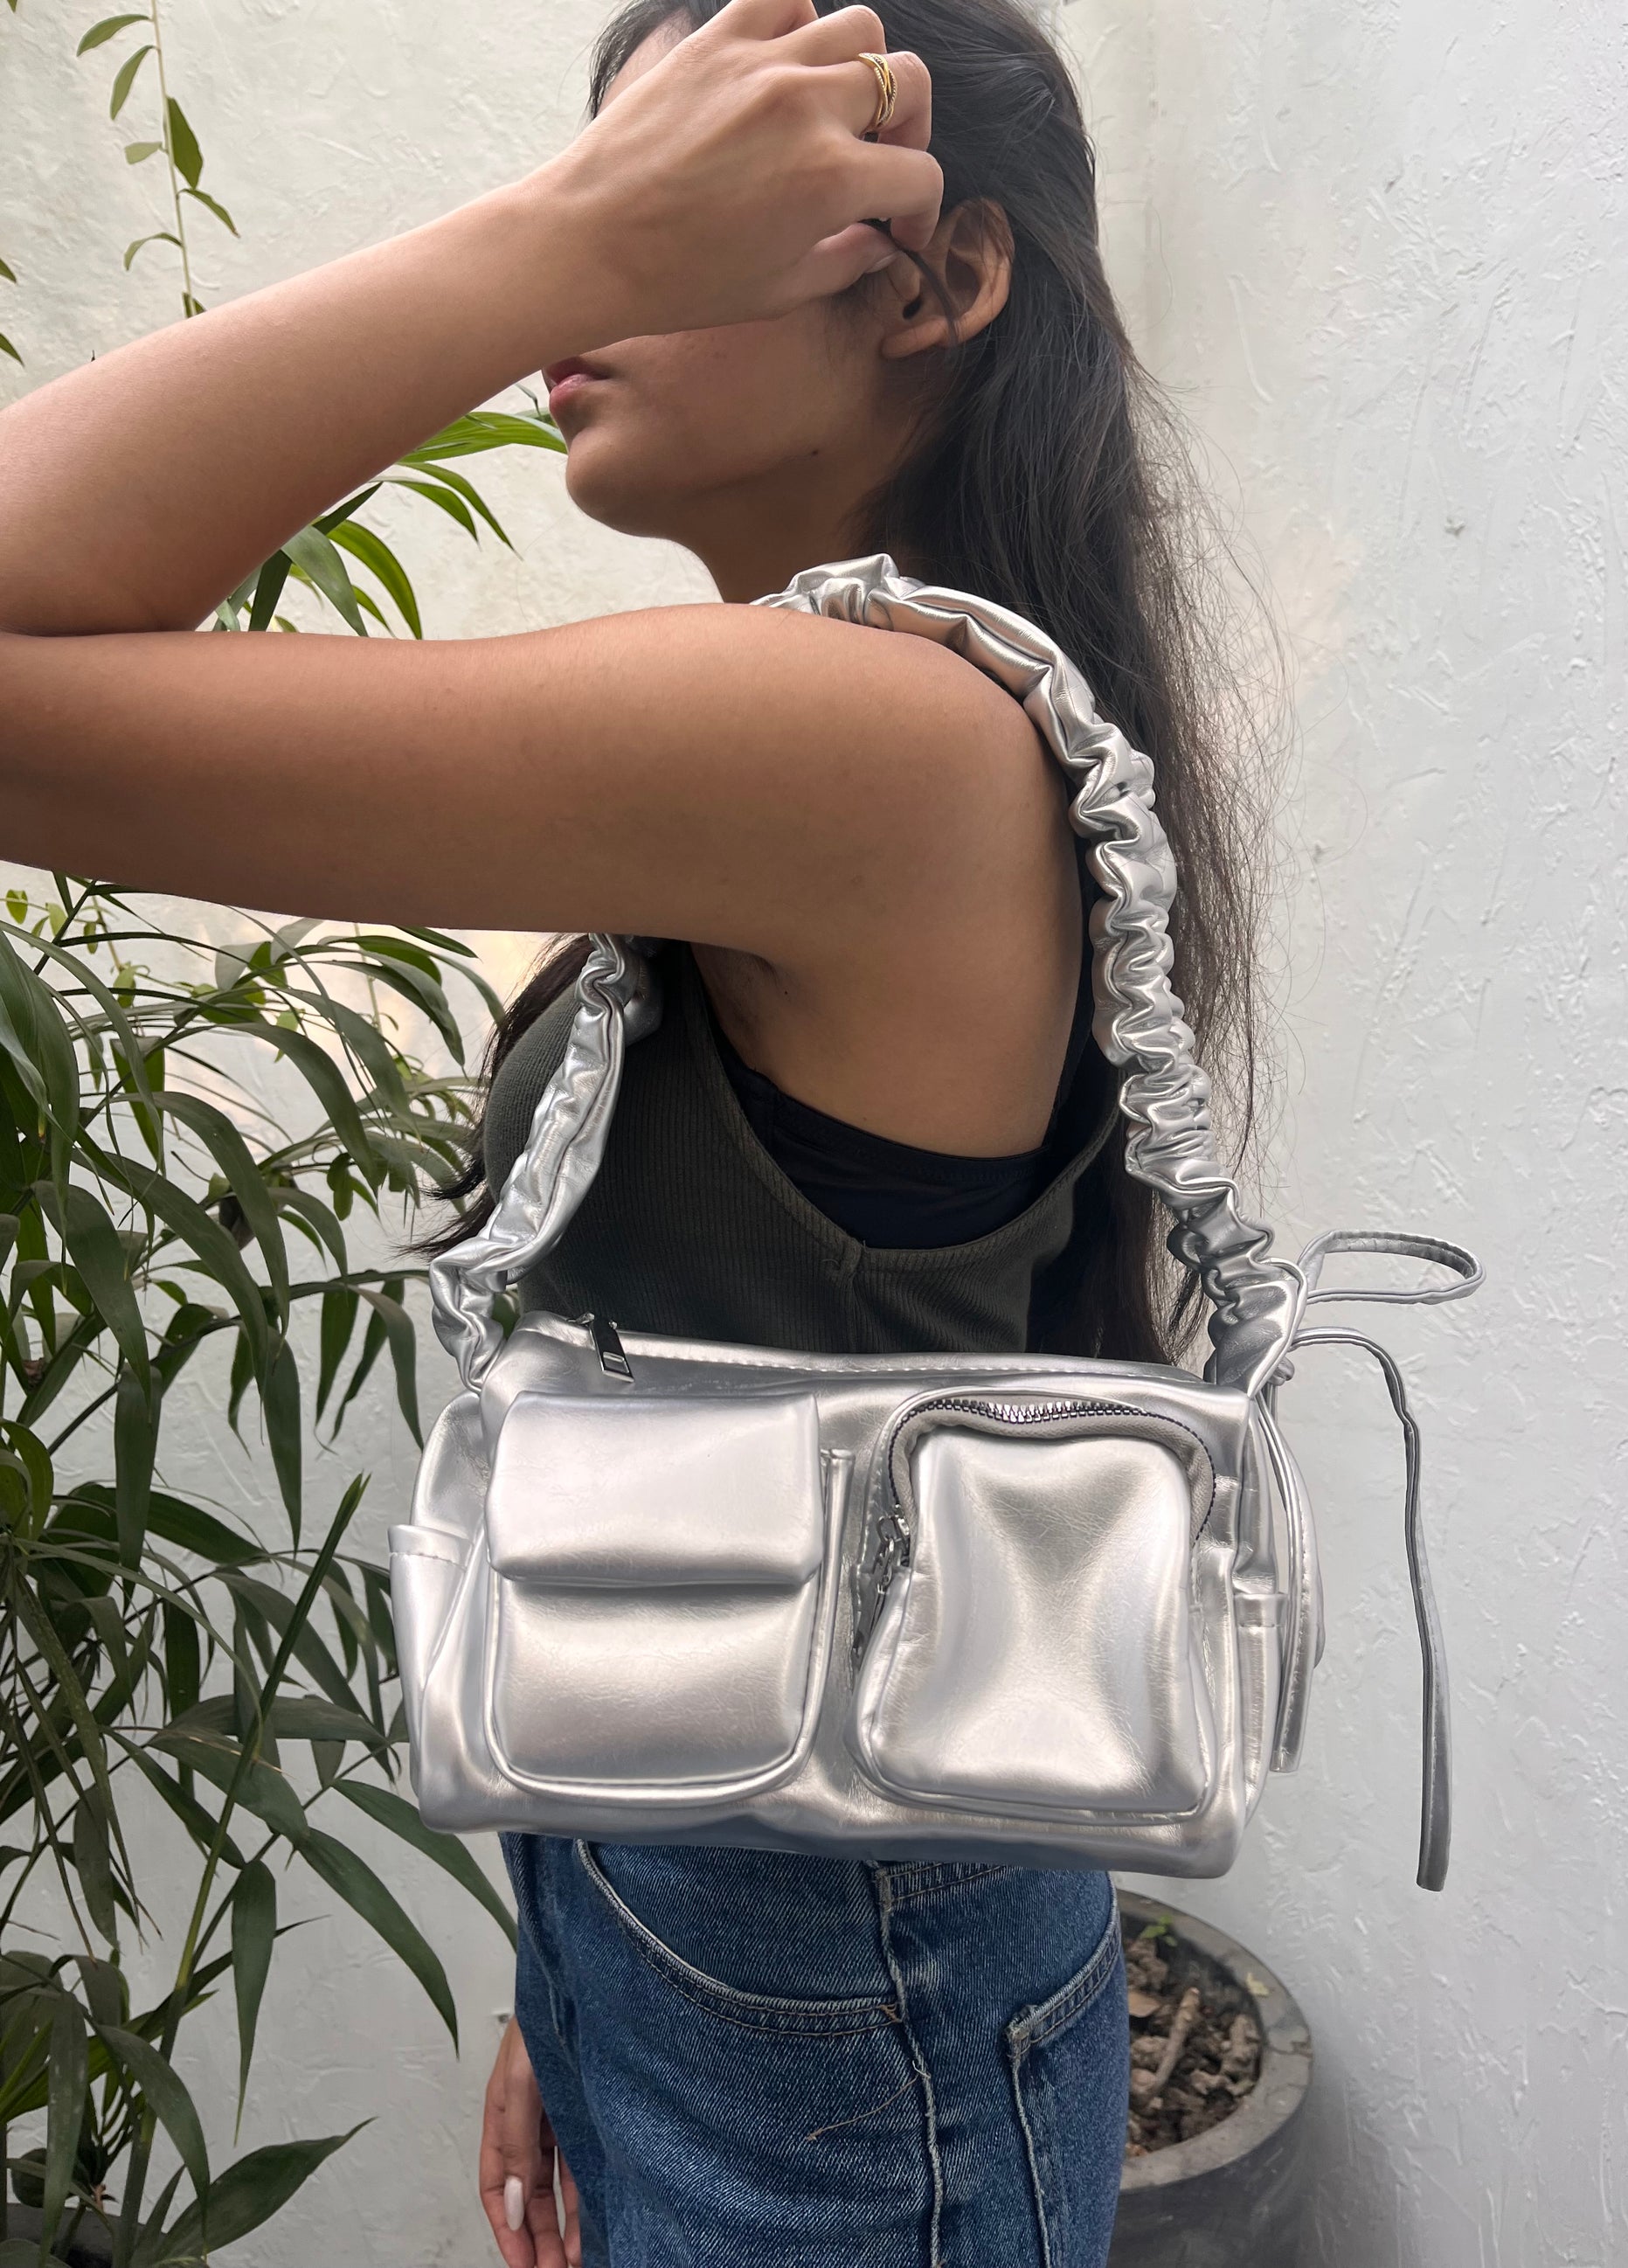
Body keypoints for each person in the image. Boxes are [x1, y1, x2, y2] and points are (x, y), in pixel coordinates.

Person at [0, 0, 1265, 2258]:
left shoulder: (871, 733)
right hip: (758, 1920)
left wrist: (546, 240)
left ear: (939, 277)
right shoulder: (869, 713)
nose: (602, 258)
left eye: (692, 181)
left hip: (835, 2015)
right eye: (621, 175)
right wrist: (577, 1959)